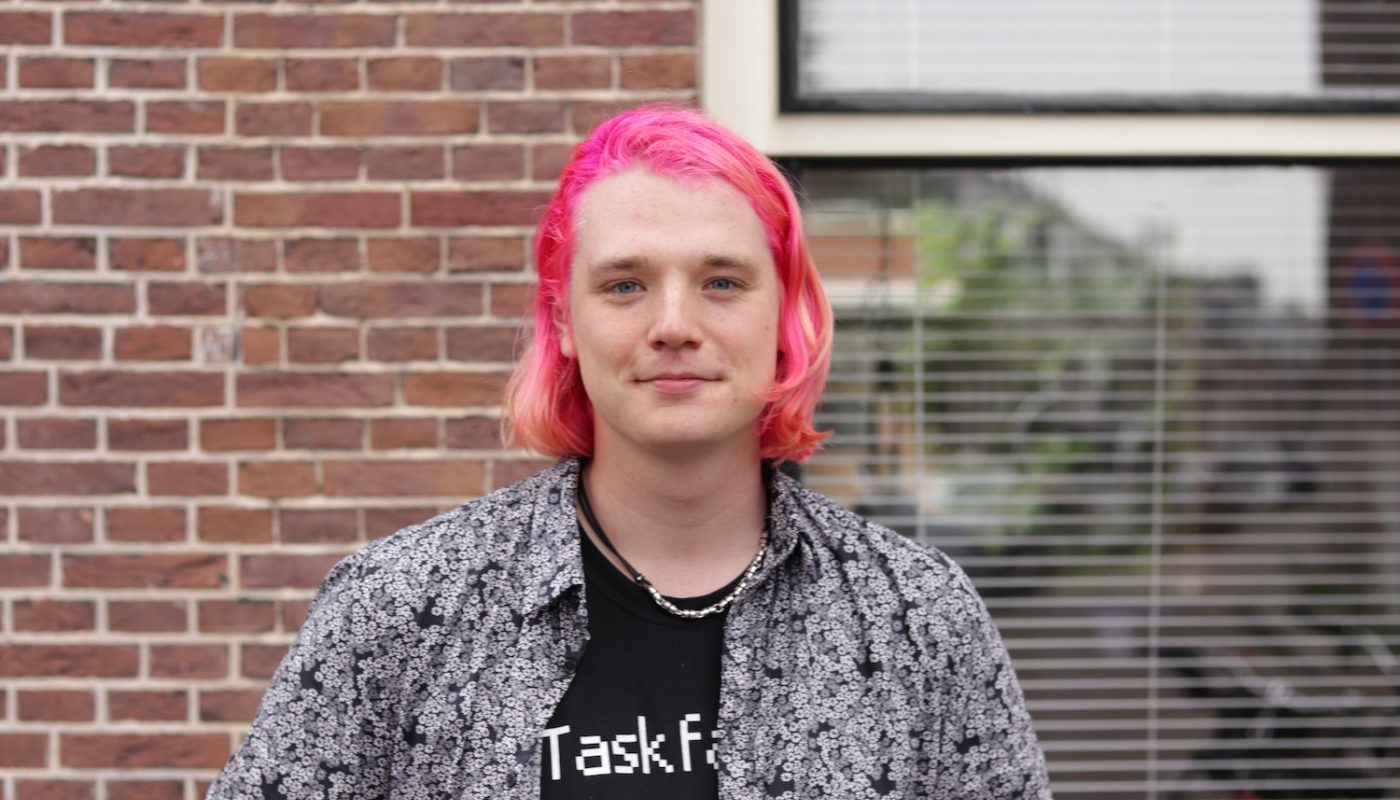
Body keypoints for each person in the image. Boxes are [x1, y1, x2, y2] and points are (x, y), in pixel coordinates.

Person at [207, 104, 1051, 799]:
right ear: (565, 320)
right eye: (625, 284)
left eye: (722, 282)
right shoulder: (399, 610)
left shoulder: (916, 618)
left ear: (782, 314)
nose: (674, 324)